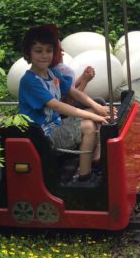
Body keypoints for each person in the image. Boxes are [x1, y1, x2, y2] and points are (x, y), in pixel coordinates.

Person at [18, 25, 111, 184]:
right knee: (88, 126)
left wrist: (98, 108)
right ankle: (84, 177)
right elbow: (57, 106)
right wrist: (94, 115)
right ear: (28, 53)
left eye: (49, 50)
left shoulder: (51, 73)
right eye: (39, 51)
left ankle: (96, 161)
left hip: (55, 125)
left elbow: (74, 92)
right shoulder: (30, 81)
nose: (44, 55)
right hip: (42, 135)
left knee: (96, 114)